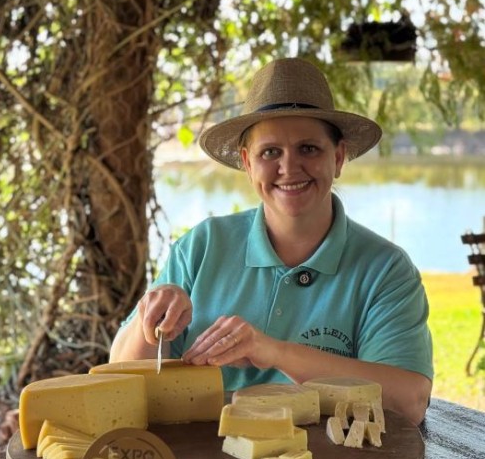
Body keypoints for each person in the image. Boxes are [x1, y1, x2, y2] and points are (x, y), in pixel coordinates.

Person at [110, 58, 433, 425]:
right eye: (270, 152)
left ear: (338, 157)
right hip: (203, 456)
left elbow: (409, 402)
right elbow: (120, 380)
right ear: (247, 164)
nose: (289, 168)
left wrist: (274, 352)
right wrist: (150, 318)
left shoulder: (385, 268)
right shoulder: (202, 246)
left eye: (308, 148)